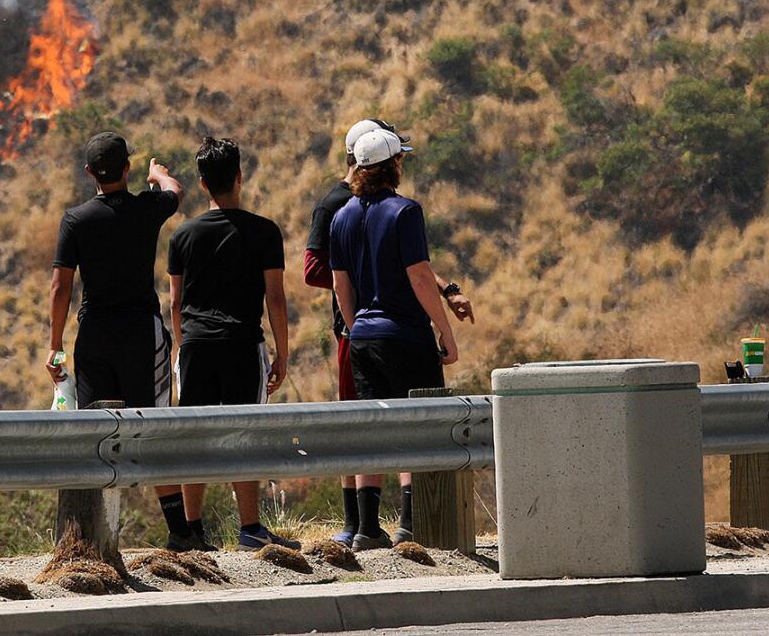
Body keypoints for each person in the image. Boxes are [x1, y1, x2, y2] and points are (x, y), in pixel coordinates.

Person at [305, 119, 474, 547]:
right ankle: (413, 523)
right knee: (420, 428)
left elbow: (341, 284)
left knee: (372, 429)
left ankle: (365, 527)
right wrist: (445, 331)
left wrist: (355, 324)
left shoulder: (341, 217)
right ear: (393, 165)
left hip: (362, 336)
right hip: (406, 335)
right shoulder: (406, 211)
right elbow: (419, 277)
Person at [48, 131, 198, 550]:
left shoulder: (76, 220)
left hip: (93, 335)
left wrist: (55, 344)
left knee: (95, 432)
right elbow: (175, 191)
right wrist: (158, 174)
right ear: (127, 168)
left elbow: (61, 288)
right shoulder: (147, 208)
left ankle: (86, 539)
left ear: (88, 173)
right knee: (152, 429)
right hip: (140, 333)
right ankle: (180, 532)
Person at [167, 136, 300, 551]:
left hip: (197, 346)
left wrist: (180, 346)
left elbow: (174, 301)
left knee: (193, 437)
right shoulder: (264, 232)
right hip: (244, 345)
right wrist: (283, 352)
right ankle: (249, 528)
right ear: (239, 177)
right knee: (245, 434)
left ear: (203, 183)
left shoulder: (182, 237)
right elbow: (274, 298)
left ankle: (191, 530)